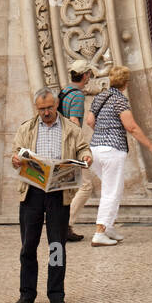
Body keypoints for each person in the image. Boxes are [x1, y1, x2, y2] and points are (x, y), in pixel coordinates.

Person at [11, 88, 93, 303]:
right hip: (32, 192)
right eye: (41, 109)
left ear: (56, 106)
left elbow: (84, 149)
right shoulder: (26, 127)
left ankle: (56, 294)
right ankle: (26, 293)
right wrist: (16, 159)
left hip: (58, 193)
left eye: (49, 108)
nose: (45, 112)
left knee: (57, 245)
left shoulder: (70, 128)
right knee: (28, 245)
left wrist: (86, 157)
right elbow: (16, 152)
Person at [86, 64, 152, 246]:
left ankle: (109, 227)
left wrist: (102, 132)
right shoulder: (120, 100)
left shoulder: (100, 96)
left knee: (113, 189)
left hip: (95, 150)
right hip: (112, 150)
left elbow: (89, 121)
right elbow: (131, 127)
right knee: (111, 192)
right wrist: (151, 146)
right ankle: (100, 231)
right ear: (125, 83)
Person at [59, 60, 93, 242]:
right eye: (89, 74)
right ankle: (64, 223)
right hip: (73, 147)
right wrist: (81, 149)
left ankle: (65, 226)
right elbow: (74, 122)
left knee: (69, 187)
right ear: (85, 75)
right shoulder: (78, 96)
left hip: (60, 144)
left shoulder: (65, 91)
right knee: (86, 186)